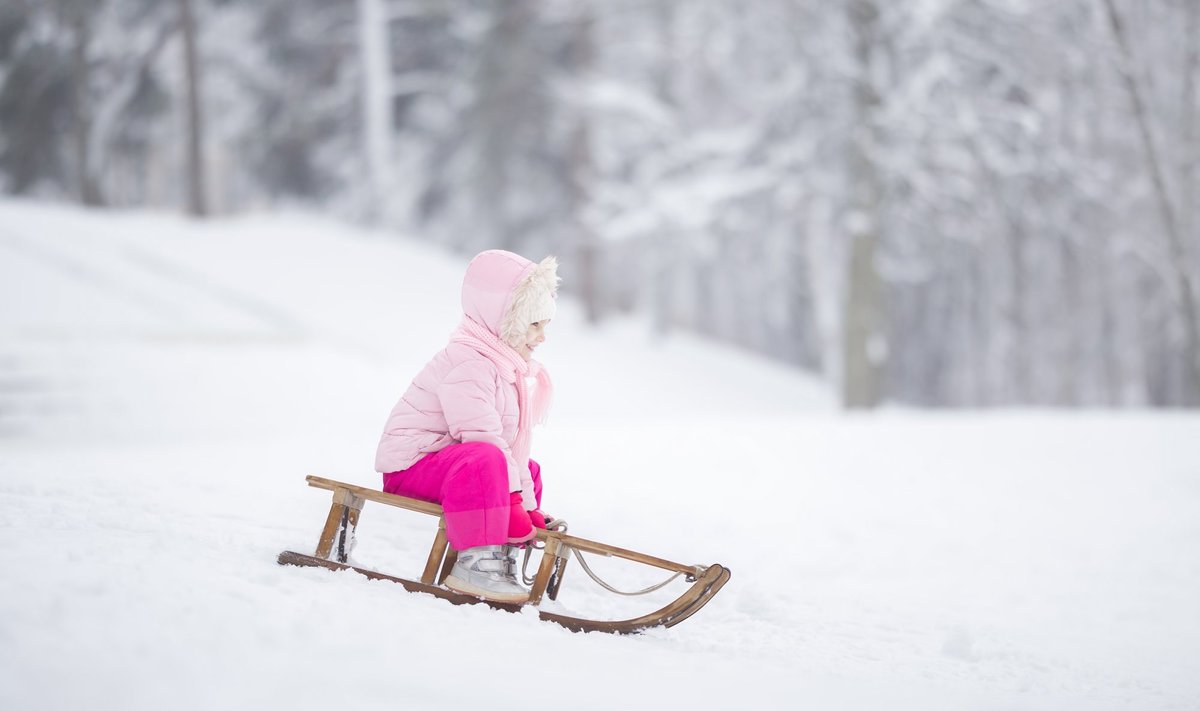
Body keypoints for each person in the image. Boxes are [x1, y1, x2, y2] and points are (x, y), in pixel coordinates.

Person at [375, 249, 558, 603]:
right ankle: (476, 563)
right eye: (534, 324)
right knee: (486, 459)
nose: (542, 336)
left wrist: (526, 504)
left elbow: (512, 449)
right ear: (504, 320)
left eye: (545, 325)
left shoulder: (504, 366)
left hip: (448, 464)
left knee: (527, 467)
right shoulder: (469, 363)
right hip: (411, 467)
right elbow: (482, 437)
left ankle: (502, 558)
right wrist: (512, 501)